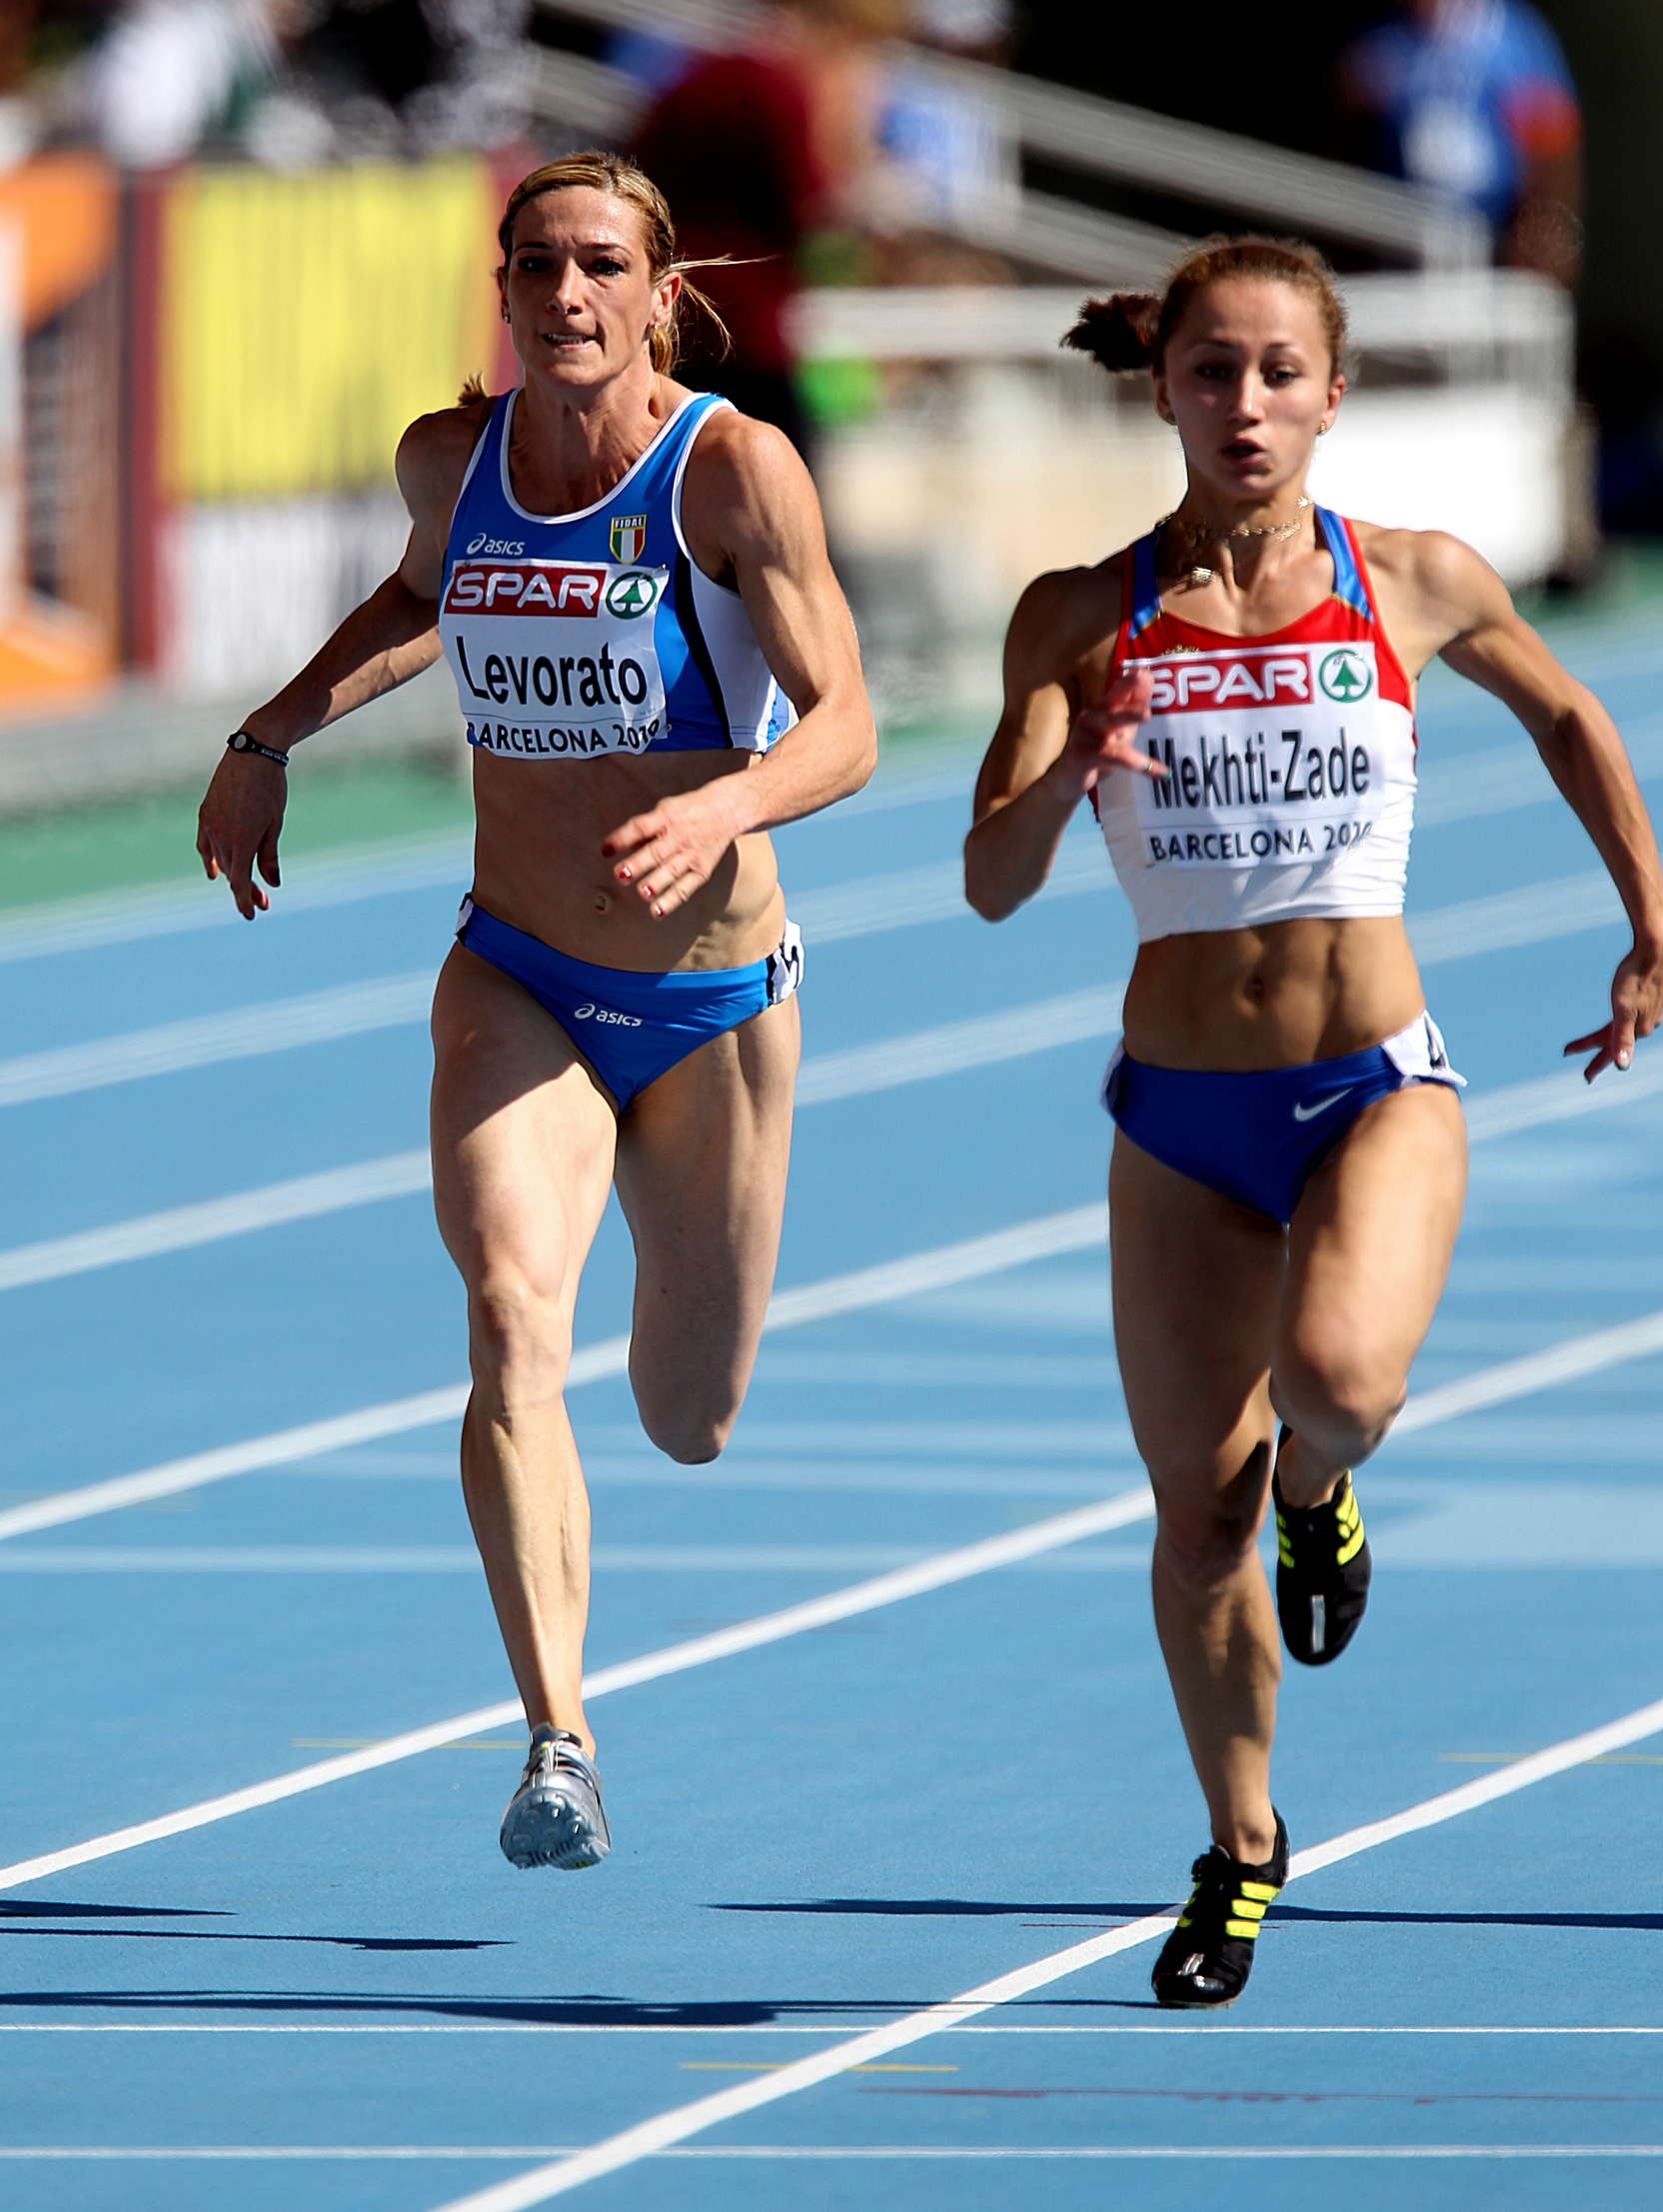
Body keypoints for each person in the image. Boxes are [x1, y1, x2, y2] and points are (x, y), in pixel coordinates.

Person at [964, 236, 1663, 2007]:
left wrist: (1652, 922)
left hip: (1370, 1088)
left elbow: (1572, 714)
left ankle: (1326, 1486)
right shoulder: (1077, 615)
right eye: (1214, 371)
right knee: (1192, 1522)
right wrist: (1071, 760)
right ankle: (1243, 1843)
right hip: (1179, 1126)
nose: (1247, 403)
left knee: (1336, 1384)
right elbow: (990, 877)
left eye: (1281, 372)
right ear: (1164, 389)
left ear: (1333, 395)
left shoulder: (1411, 578)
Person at [196, 150, 875, 1872]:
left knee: (688, 1414)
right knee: (510, 1320)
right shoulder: (454, 459)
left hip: (713, 997)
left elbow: (848, 721)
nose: (565, 295)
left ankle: (668, 1343)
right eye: (534, 266)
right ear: (501, 289)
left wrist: (730, 804)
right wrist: (269, 735)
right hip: (523, 975)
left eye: (599, 266)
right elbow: (424, 596)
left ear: (662, 292)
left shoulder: (730, 470)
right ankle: (557, 1737)